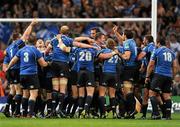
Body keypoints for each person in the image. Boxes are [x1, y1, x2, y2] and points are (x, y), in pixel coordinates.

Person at [46, 25, 97, 117]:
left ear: (60, 31)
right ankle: (60, 110)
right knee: (62, 89)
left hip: (54, 63)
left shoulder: (53, 39)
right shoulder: (69, 40)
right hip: (63, 64)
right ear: (68, 33)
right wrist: (91, 46)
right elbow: (79, 44)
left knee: (55, 89)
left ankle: (52, 111)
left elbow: (46, 51)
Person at [2, 19, 37, 117]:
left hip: (10, 70)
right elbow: (26, 35)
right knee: (19, 91)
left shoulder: (8, 49)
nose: (24, 39)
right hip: (17, 69)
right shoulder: (17, 44)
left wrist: (6, 70)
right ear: (17, 38)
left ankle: (9, 108)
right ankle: (17, 111)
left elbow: (5, 62)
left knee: (13, 91)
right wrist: (31, 24)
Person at [145, 37, 178, 120]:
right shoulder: (171, 52)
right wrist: (173, 77)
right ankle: (168, 116)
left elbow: (151, 65)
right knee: (166, 95)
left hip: (159, 74)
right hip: (169, 76)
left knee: (152, 93)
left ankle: (156, 114)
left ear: (158, 43)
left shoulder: (157, 51)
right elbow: (175, 66)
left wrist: (147, 76)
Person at [113, 26, 138, 119]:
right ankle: (130, 111)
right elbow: (122, 41)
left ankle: (132, 111)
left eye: (123, 34)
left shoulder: (127, 43)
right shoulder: (131, 41)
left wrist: (117, 53)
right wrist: (116, 33)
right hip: (132, 68)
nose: (122, 36)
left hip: (128, 68)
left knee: (127, 90)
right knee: (128, 90)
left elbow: (126, 57)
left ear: (125, 35)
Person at [98, 38, 119, 118]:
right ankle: (114, 113)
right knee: (112, 95)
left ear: (106, 44)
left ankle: (103, 113)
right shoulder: (116, 52)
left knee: (102, 94)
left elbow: (100, 57)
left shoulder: (104, 51)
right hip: (114, 74)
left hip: (105, 73)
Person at [137, 35, 156, 119]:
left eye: (144, 39)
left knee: (147, 94)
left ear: (147, 40)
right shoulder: (156, 47)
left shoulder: (147, 47)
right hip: (156, 73)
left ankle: (147, 115)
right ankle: (158, 113)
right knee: (154, 94)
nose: (143, 41)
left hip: (149, 74)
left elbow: (140, 57)